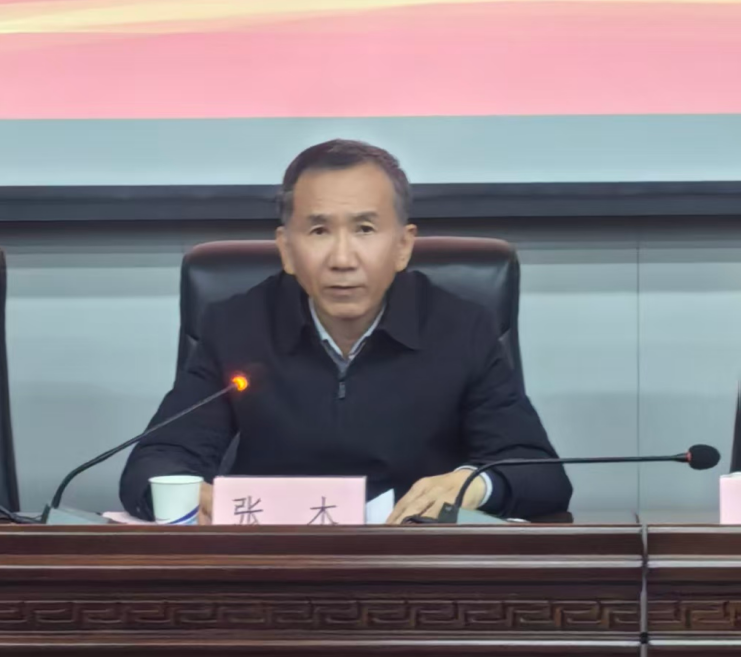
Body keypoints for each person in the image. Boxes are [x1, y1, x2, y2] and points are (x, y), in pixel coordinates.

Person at [119, 139, 572, 524]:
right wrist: (188, 494)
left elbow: (542, 476)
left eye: (365, 229)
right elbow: (153, 463)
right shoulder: (236, 327)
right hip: (272, 566)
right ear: (287, 250)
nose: (342, 259)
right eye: (319, 231)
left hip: (416, 568)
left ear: (403, 246)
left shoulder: (462, 328)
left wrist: (474, 485)